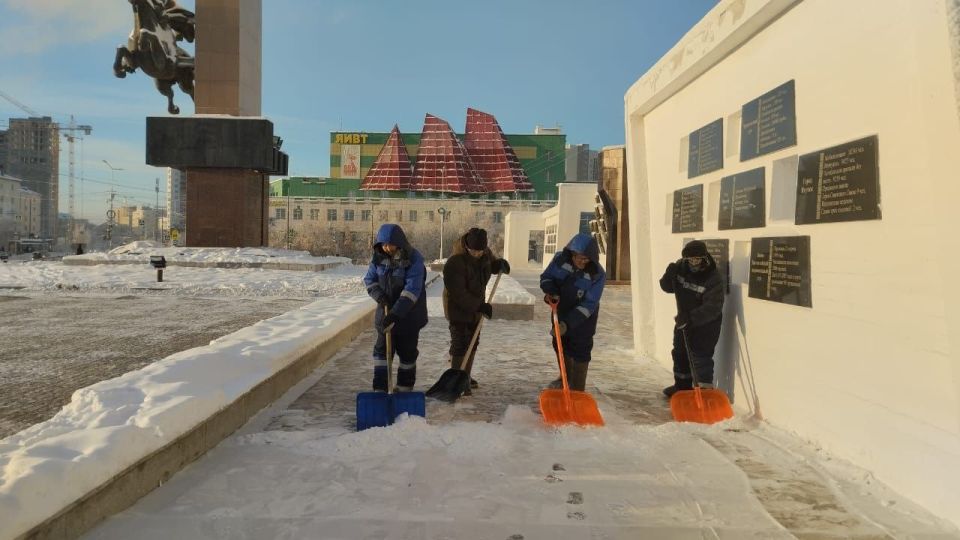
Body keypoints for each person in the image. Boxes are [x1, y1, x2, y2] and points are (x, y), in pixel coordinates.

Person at [442, 227, 510, 394]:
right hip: (457, 307)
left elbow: (489, 265)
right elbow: (458, 293)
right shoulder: (455, 262)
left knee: (473, 342)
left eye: (480, 251)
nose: (477, 254)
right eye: (474, 251)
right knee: (460, 343)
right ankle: (456, 381)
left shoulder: (484, 253)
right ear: (466, 246)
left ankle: (465, 376)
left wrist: (499, 264)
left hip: (476, 306)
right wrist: (479, 306)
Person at [362, 224, 428, 392]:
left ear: (399, 242)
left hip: (409, 317)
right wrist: (380, 296)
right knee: (382, 353)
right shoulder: (378, 258)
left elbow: (412, 290)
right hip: (384, 316)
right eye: (383, 244)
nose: (386, 248)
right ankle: (381, 389)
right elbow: (370, 280)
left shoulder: (414, 259)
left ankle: (405, 389)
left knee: (407, 354)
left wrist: (395, 314)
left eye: (389, 244)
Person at [540, 233, 605, 392]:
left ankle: (577, 389)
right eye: (578, 257)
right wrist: (551, 292)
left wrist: (568, 324)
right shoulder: (560, 260)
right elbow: (547, 277)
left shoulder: (597, 274)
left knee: (581, 349)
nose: (581, 262)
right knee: (560, 344)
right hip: (560, 309)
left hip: (583, 318)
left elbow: (589, 304)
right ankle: (565, 378)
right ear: (572, 253)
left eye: (585, 259)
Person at [659, 240, 724, 398]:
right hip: (683, 320)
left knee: (700, 357)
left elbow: (713, 308)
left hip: (706, 323)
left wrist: (690, 318)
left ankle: (704, 394)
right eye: (690, 260)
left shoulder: (713, 276)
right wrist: (669, 275)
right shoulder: (681, 267)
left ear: (704, 258)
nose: (694, 263)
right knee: (680, 353)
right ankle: (681, 388)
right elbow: (667, 288)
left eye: (697, 259)